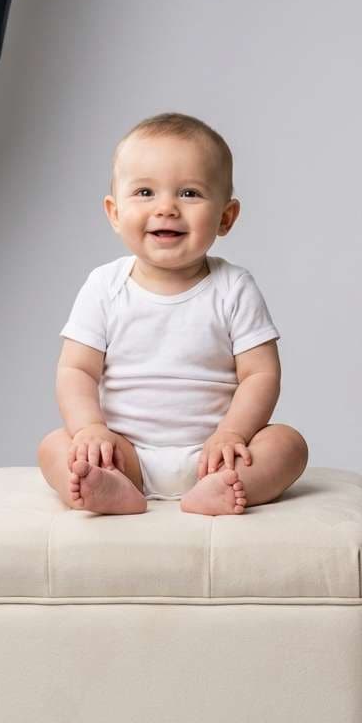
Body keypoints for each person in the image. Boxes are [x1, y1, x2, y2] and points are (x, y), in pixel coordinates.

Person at [38, 113, 308, 516]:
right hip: (124, 452)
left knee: (289, 444)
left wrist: (232, 433)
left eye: (189, 194)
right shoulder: (104, 286)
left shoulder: (233, 287)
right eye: (145, 192)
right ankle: (111, 489)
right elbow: (76, 370)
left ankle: (224, 489)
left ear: (225, 217)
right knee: (54, 447)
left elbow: (261, 374)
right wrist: (91, 429)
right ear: (114, 212)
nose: (166, 208)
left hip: (216, 453)